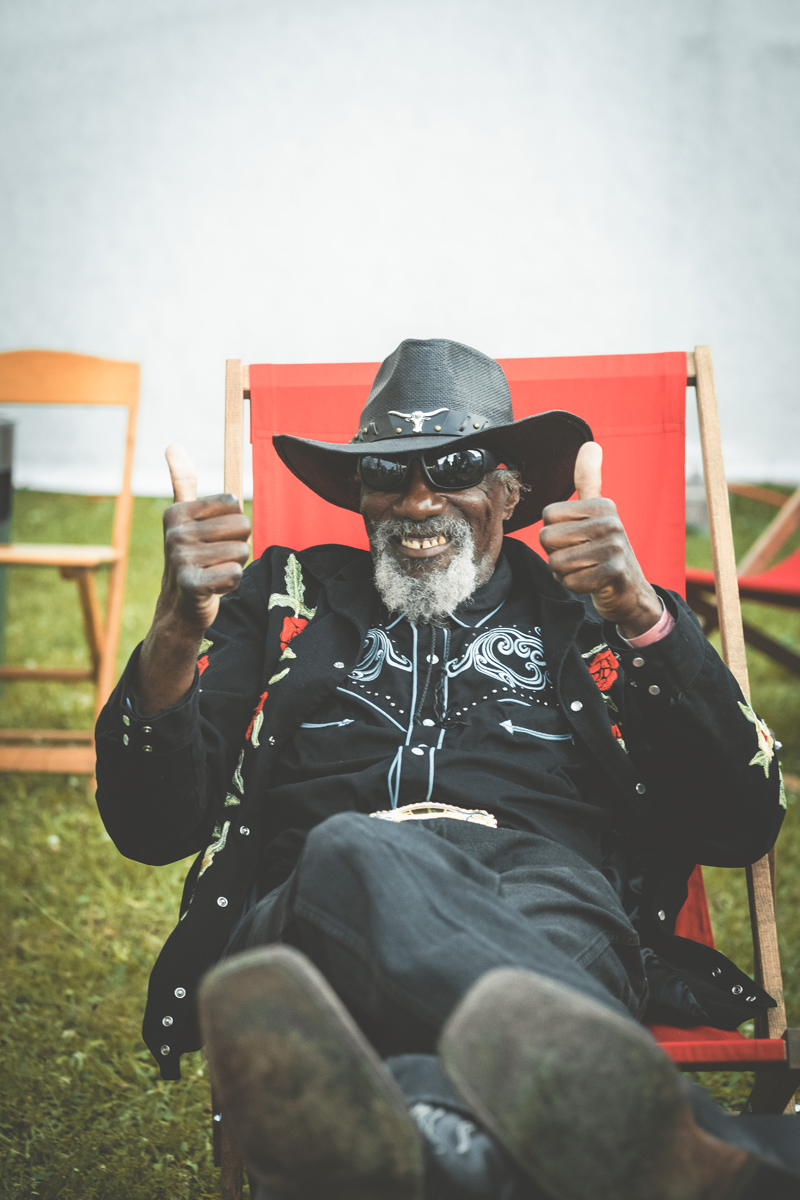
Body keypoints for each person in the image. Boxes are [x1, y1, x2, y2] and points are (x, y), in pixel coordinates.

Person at [96, 339, 800, 1199]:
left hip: (545, 899)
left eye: (457, 465)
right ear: (360, 495)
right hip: (315, 911)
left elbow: (742, 820)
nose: (418, 499)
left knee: (425, 1086)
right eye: (387, 471)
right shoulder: (287, 595)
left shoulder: (590, 613)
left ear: (511, 490)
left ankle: (436, 1132)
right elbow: (151, 826)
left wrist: (644, 613)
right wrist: (175, 628)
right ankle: (704, 1141)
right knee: (351, 852)